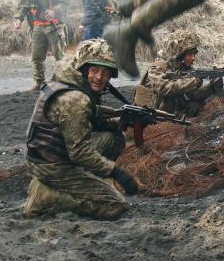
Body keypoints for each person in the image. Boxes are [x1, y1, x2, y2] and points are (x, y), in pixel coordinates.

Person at [23, 39, 140, 220]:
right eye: (94, 70)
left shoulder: (70, 79)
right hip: (52, 165)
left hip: (44, 154)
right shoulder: (76, 99)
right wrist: (116, 172)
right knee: (115, 205)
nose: (99, 77)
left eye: (105, 72)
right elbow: (79, 152)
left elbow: (88, 120)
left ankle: (80, 183)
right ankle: (45, 195)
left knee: (115, 138)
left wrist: (120, 122)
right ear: (84, 69)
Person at [133, 29, 223, 117]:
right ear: (179, 55)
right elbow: (164, 88)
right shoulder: (158, 67)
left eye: (194, 54)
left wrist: (211, 87)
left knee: (195, 105)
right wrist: (194, 82)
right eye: (190, 54)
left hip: (170, 114)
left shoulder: (186, 68)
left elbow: (192, 95)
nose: (193, 58)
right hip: (149, 114)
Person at [15, 0, 71, 91]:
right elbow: (23, 5)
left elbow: (67, 0)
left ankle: (61, 81)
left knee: (60, 57)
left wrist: (54, 11)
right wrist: (18, 19)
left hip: (54, 25)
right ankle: (39, 81)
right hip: (38, 26)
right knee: (36, 57)